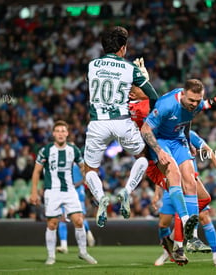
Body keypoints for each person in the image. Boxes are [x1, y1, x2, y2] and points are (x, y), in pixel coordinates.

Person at [140, 79, 216, 264]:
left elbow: (188, 120)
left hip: (178, 141)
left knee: (190, 181)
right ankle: (177, 238)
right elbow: (145, 129)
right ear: (183, 93)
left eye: (197, 100)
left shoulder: (197, 104)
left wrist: (187, 140)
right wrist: (158, 151)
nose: (194, 104)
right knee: (174, 174)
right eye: (191, 100)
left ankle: (191, 238)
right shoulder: (167, 104)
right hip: (160, 141)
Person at [83, 26, 159, 228]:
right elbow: (152, 96)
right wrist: (143, 80)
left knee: (89, 169)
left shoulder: (92, 65)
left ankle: (100, 198)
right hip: (122, 121)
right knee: (142, 157)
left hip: (98, 123)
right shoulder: (130, 68)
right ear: (123, 48)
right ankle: (127, 191)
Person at [154, 130, 216, 267]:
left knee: (203, 215)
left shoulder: (189, 135)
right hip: (170, 185)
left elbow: (208, 151)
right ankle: (168, 250)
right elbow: (160, 168)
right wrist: (156, 192)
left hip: (190, 182)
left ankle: (215, 257)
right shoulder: (162, 138)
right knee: (163, 223)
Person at [30, 120, 97, 265]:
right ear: (53, 134)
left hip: (70, 190)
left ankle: (83, 252)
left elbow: (82, 167)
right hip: (52, 191)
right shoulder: (46, 150)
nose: (60, 134)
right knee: (52, 223)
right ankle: (51, 256)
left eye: (63, 131)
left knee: (79, 220)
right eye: (58, 131)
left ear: (67, 134)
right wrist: (34, 192)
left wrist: (87, 178)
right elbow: (36, 172)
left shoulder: (74, 150)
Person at [57, 163, 96, 254]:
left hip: (77, 192)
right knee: (63, 218)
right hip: (66, 192)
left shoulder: (77, 163)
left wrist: (74, 185)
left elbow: (84, 178)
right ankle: (64, 245)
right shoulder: (63, 164)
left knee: (79, 217)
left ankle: (88, 233)